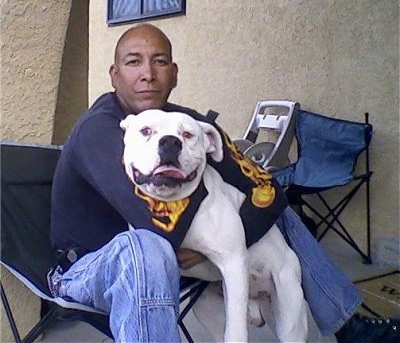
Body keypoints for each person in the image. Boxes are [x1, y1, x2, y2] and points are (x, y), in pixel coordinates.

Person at [48, 23, 361, 341]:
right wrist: (214, 232)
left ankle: (350, 326)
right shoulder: (100, 131)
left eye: (159, 61)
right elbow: (158, 221)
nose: (148, 74)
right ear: (114, 75)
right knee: (146, 248)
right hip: (88, 267)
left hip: (175, 261)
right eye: (134, 62)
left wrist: (229, 245)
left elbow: (266, 188)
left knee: (277, 214)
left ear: (174, 74)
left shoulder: (185, 123)